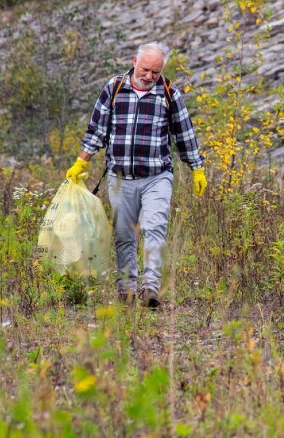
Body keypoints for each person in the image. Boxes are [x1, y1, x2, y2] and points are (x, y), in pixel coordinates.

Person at [66, 42, 207, 308]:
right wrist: (81, 162)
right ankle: (127, 290)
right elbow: (97, 130)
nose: (149, 76)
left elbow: (184, 135)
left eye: (156, 71)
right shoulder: (114, 88)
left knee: (155, 227)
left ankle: (150, 288)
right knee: (124, 235)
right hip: (120, 177)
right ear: (134, 62)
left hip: (157, 176)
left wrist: (197, 168)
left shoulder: (169, 92)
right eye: (145, 69)